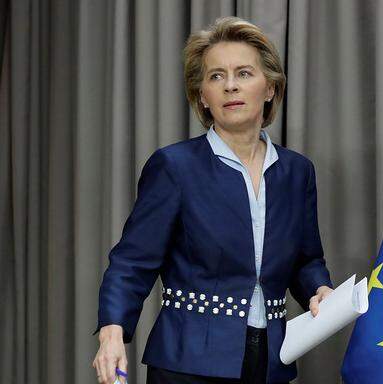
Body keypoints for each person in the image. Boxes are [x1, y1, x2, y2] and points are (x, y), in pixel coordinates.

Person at [92, 16, 333, 384]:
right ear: (202, 96)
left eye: (244, 73)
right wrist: (112, 331)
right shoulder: (174, 167)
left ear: (270, 88)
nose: (230, 86)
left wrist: (320, 288)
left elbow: (305, 258)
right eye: (216, 76)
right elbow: (132, 262)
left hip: (271, 361)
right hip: (188, 362)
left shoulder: (297, 172)